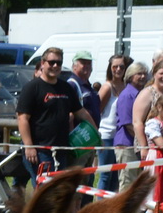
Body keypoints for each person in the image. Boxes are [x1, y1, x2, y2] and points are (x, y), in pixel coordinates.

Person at [17, 47, 93, 178]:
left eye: (59, 63)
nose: (55, 66)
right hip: (40, 151)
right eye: (51, 62)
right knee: (45, 188)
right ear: (43, 63)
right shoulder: (32, 87)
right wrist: (29, 147)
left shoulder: (66, 88)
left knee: (57, 188)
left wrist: (96, 132)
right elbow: (22, 118)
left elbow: (81, 113)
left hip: (61, 150)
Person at [96, 55, 130, 192]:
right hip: (107, 136)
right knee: (105, 175)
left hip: (121, 137)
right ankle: (100, 202)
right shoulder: (107, 87)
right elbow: (97, 111)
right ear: (110, 68)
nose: (118, 69)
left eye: (121, 66)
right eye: (115, 66)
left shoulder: (126, 86)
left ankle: (110, 202)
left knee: (116, 175)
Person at [112, 62, 146, 184]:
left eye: (144, 74)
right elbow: (128, 123)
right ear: (131, 76)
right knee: (127, 183)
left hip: (136, 145)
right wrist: (143, 141)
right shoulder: (127, 95)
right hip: (127, 145)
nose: (143, 76)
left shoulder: (140, 94)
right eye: (139, 74)